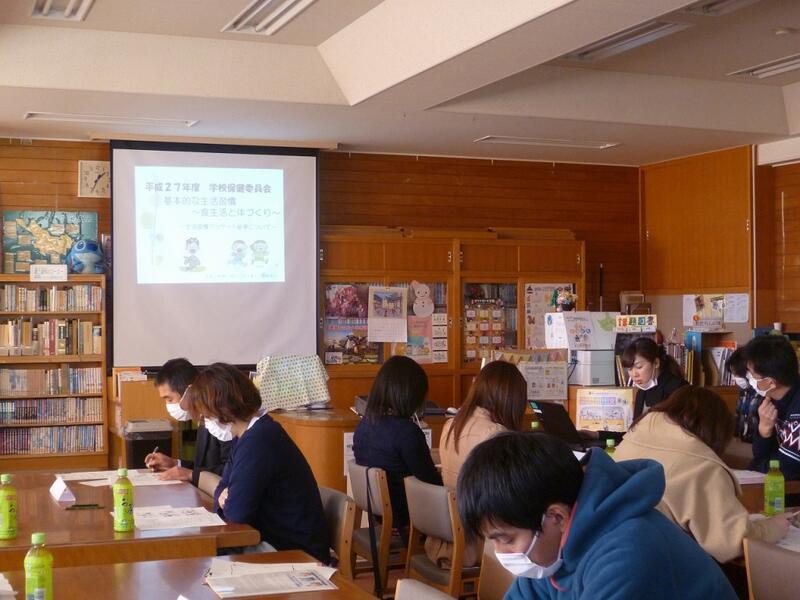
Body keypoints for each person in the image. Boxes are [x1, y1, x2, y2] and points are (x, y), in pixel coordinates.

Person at [457, 432, 737, 600]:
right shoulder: (550, 551)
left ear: (556, 517)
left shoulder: (628, 553)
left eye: (506, 539)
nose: (501, 552)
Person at [614, 386, 790, 563]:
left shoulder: (631, 440)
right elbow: (731, 542)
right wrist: (773, 527)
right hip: (660, 564)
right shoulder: (702, 468)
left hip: (614, 554)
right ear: (715, 429)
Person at [186, 362, 330, 563]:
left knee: (201, 559)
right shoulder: (246, 436)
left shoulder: (258, 440)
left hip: (294, 551)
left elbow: (237, 513)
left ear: (223, 408)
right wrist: (223, 495)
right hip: (275, 541)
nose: (205, 422)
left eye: (207, 416)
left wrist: (227, 497)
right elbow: (222, 487)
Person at [425, 360, 527, 567]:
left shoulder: (452, 424)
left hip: (445, 536)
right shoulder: (494, 433)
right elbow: (508, 496)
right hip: (476, 542)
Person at [353, 355, 442, 537]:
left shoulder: (365, 425)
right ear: (410, 395)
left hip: (382, 518)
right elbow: (432, 484)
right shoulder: (407, 432)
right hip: (408, 522)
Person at [144, 358, 232, 485]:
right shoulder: (203, 419)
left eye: (169, 399)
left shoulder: (222, 421)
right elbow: (203, 467)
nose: (168, 405)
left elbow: (233, 471)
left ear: (189, 391)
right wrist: (175, 464)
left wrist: (190, 474)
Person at [745, 334, 800, 479]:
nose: (749, 379)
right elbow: (760, 455)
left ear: (770, 383)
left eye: (752, 375)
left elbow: (785, 469)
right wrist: (764, 432)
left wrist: (755, 467)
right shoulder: (771, 399)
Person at [621, 337, 688, 419]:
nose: (634, 374)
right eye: (629, 369)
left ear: (656, 363)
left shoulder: (678, 389)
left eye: (639, 367)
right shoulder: (642, 392)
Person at [727, 347, 759, 441]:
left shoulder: (762, 393)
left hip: (755, 442)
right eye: (733, 374)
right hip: (742, 440)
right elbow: (738, 417)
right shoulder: (744, 391)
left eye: (737, 374)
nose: (735, 378)